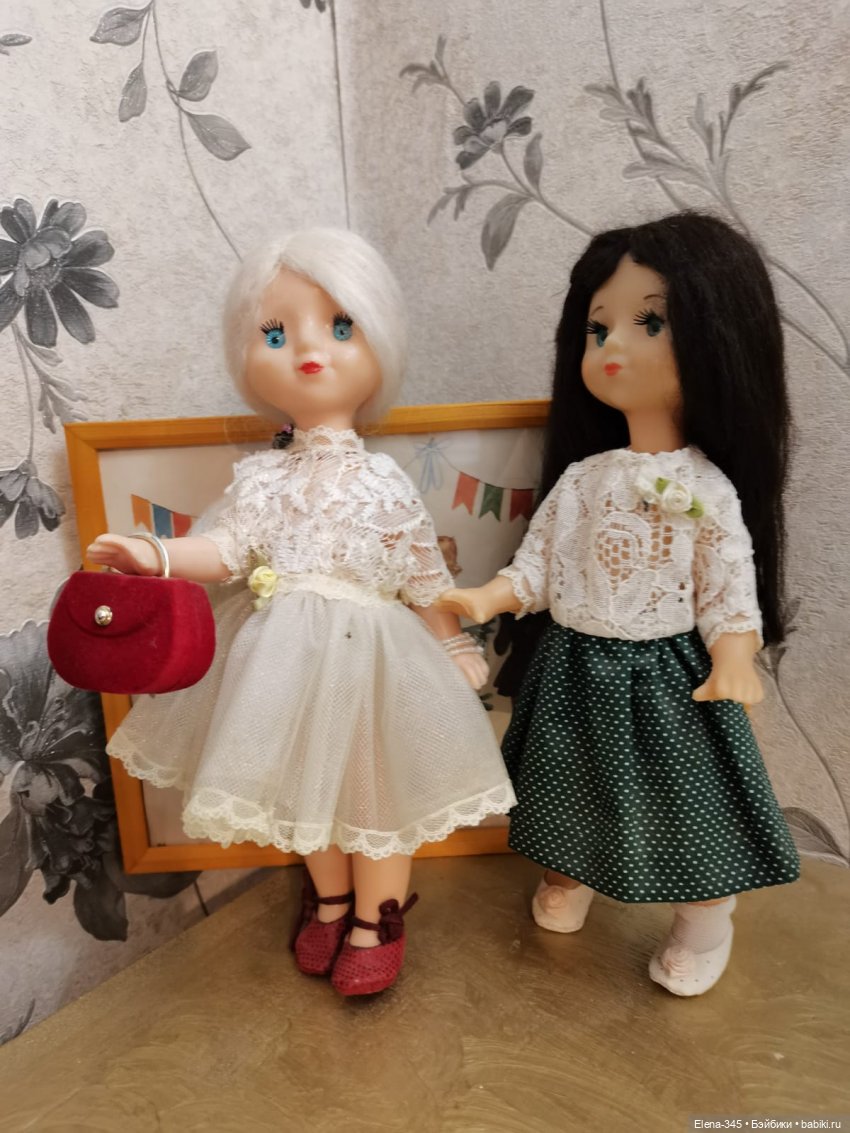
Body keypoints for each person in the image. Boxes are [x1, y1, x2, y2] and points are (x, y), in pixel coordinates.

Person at [89, 228, 515, 996]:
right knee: (303, 790)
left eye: (341, 326)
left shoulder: (383, 481)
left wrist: (453, 646)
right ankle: (330, 897)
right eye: (278, 333)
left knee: (376, 791)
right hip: (284, 659)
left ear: (379, 338)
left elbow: (422, 571)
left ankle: (378, 916)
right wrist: (156, 554)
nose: (311, 350)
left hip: (375, 656)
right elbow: (226, 548)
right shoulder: (262, 479)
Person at [438, 212, 800, 996]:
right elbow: (539, 563)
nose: (613, 348)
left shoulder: (703, 486)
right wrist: (490, 594)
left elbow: (727, 581)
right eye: (598, 329)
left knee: (687, 804)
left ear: (718, 337)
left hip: (668, 678)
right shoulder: (584, 476)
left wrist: (735, 652)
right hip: (574, 668)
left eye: (649, 322)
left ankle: (705, 918)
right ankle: (570, 874)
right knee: (566, 785)